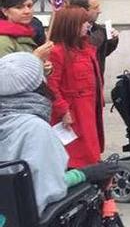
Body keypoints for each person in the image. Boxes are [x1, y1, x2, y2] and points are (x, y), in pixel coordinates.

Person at [0, 52, 119, 216]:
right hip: (23, 225)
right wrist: (84, 174)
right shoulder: (34, 129)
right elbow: (47, 192)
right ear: (40, 84)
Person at [46, 7, 103, 168]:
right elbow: (51, 86)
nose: (87, 26)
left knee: (92, 153)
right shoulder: (56, 52)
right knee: (77, 156)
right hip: (73, 112)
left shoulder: (85, 49)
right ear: (71, 25)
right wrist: (63, 110)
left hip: (88, 109)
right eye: (83, 23)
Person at [68, 0, 119, 77]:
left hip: (96, 84)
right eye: (95, 8)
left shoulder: (98, 29)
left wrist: (112, 40)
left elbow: (102, 54)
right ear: (82, 10)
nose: (99, 11)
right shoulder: (67, 31)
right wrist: (102, 35)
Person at [0, 0, 53, 66]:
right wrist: (35, 57)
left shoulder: (29, 32)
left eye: (29, 6)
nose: (27, 11)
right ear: (5, 11)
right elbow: (6, 75)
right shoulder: (3, 39)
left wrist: (44, 68)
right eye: (19, 7)